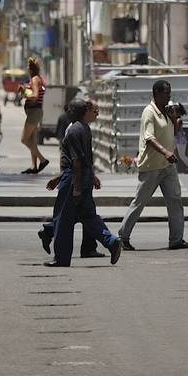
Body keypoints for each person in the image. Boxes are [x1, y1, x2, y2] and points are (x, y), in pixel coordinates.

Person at [43, 99, 121, 268]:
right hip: (83, 177)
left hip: (73, 179)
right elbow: (86, 158)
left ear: (74, 112)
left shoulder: (73, 131)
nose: (66, 111)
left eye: (69, 109)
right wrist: (89, 177)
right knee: (88, 216)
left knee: (63, 219)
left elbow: (77, 161)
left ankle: (61, 258)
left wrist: (76, 187)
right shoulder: (84, 128)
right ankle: (111, 241)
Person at [117, 79, 188, 251]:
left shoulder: (166, 112)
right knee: (139, 202)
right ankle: (122, 237)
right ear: (157, 94)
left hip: (167, 166)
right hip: (152, 166)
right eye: (166, 93)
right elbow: (149, 138)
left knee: (175, 201)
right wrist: (165, 152)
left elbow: (172, 133)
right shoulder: (149, 112)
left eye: (170, 92)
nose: (169, 96)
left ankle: (176, 239)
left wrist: (174, 120)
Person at [20, 56, 48, 174]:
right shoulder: (40, 79)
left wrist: (25, 94)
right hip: (36, 111)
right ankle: (34, 166)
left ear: (31, 70)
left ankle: (42, 160)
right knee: (32, 140)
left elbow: (35, 95)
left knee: (24, 139)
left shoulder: (35, 80)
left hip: (34, 112)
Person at [168, 102, 188, 173]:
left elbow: (176, 131)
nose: (173, 113)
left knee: (182, 155)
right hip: (176, 139)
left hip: (180, 140)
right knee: (171, 152)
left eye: (174, 111)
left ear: (178, 112)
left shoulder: (178, 120)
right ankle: (170, 168)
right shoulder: (175, 119)